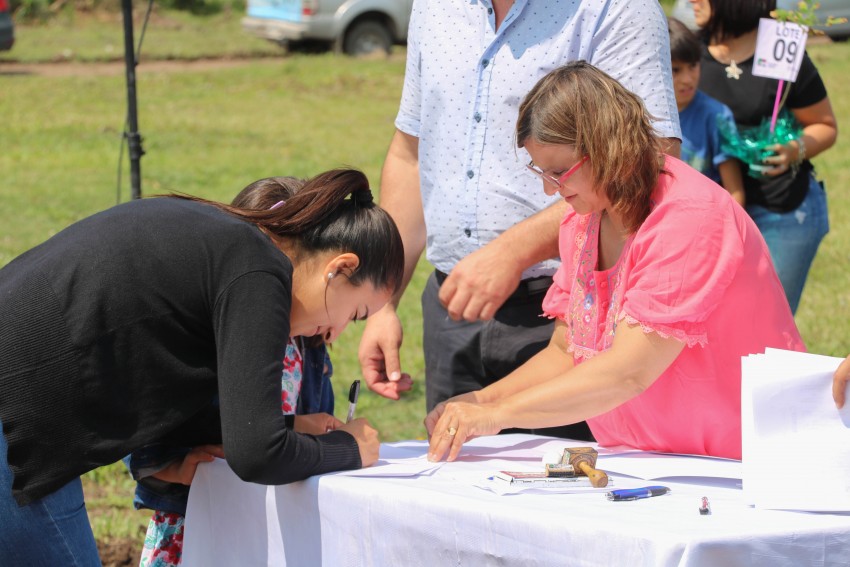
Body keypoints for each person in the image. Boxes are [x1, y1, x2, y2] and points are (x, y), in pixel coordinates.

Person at [0, 168, 404, 564]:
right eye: (356, 313)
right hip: (16, 417)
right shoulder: (259, 273)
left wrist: (289, 425)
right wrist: (350, 448)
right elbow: (258, 456)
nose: (337, 330)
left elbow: (173, 399)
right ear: (340, 268)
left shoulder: (232, 246)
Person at [424, 61, 804, 463]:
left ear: (608, 149)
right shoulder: (584, 219)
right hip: (651, 461)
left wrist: (496, 415)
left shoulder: (689, 216)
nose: (550, 190)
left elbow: (629, 372)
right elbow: (567, 351)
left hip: (742, 461)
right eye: (542, 172)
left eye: (559, 172)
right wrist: (480, 401)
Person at [358, 0, 682, 443]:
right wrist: (382, 300)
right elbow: (410, 153)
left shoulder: (617, 8)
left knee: (568, 480)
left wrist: (512, 252)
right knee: (454, 479)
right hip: (452, 305)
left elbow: (647, 162)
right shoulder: (434, 7)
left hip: (567, 310)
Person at [125, 177, 338, 567]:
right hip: (199, 523)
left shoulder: (310, 343)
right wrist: (173, 468)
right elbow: (144, 427)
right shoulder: (211, 331)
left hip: (278, 526)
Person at [690, 0, 838, 314]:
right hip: (708, 219)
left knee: (767, 322)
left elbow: (825, 126)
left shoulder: (781, 46)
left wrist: (793, 150)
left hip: (781, 211)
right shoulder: (687, 52)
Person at [668, 16, 745, 205]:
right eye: (675, 70)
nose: (687, 79)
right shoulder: (640, 116)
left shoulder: (717, 116)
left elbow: (735, 193)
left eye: (693, 66)